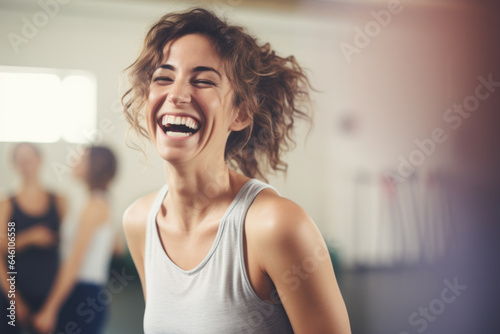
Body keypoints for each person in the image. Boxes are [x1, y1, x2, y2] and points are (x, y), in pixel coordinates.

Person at [122, 8, 351, 334]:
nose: (177, 94)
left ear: (241, 114)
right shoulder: (139, 221)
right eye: (163, 77)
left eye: (203, 81)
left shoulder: (276, 226)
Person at [32, 146, 120, 334]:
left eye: (80, 159)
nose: (74, 162)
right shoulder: (98, 201)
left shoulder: (94, 206)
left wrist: (50, 309)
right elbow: (117, 247)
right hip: (84, 291)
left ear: (94, 166)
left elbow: (74, 262)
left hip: (82, 292)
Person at [0, 143, 66, 334]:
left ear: (40, 160)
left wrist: (52, 305)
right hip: (13, 293)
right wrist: (15, 301)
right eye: (20, 160)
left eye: (29, 158)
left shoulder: (59, 201)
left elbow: (67, 249)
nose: (26, 163)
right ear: (13, 164)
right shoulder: (6, 203)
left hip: (49, 293)